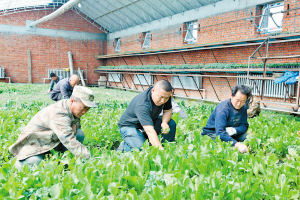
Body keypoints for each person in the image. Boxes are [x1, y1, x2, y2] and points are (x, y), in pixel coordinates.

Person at [9, 86, 97, 168]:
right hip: (35, 146)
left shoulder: (71, 108)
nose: (85, 112)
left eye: (88, 109)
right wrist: (90, 159)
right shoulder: (59, 113)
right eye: (83, 107)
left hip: (51, 141)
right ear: (72, 101)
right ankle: (17, 163)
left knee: (79, 134)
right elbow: (68, 139)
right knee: (36, 162)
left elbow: (73, 132)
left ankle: (57, 156)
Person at [117, 80, 176, 152]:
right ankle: (124, 146)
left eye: (166, 98)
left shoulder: (165, 95)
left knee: (171, 124)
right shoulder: (142, 105)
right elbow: (150, 131)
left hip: (149, 121)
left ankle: (166, 147)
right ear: (153, 90)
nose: (163, 100)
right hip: (130, 126)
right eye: (161, 97)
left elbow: (167, 111)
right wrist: (161, 152)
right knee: (141, 149)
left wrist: (164, 122)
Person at [201, 84, 252, 153]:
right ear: (231, 96)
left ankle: (234, 142)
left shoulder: (243, 107)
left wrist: (234, 130)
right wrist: (237, 145)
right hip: (213, 133)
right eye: (237, 100)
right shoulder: (223, 109)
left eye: (243, 101)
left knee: (249, 138)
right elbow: (220, 133)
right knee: (222, 145)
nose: (239, 104)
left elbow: (244, 126)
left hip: (230, 133)